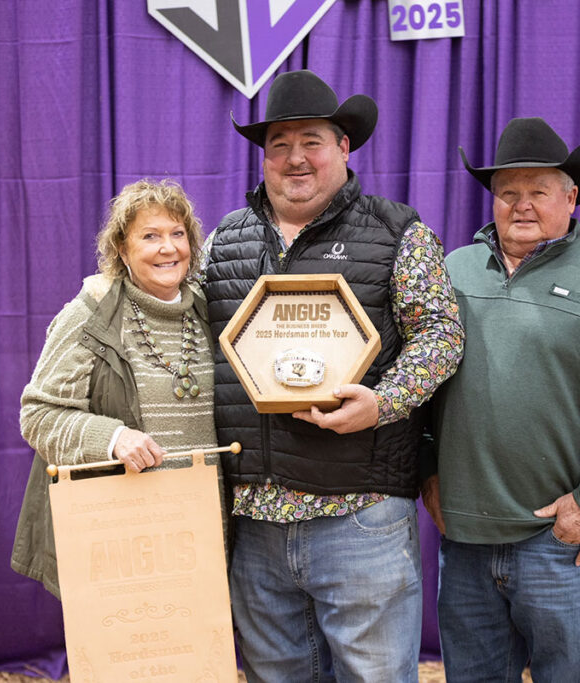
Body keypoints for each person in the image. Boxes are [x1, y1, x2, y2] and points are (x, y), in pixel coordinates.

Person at [200, 69, 464, 682]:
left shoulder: (399, 233)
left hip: (360, 514)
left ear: (344, 146)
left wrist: (384, 401)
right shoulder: (223, 242)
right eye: (279, 144)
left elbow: (442, 335)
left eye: (310, 141)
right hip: (256, 517)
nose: (295, 159)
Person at [422, 117, 580, 683]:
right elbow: (418, 386)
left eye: (539, 190)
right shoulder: (450, 273)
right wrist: (426, 472)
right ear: (492, 199)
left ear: (571, 197)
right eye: (509, 192)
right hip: (464, 543)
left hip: (558, 543)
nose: (522, 204)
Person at [11, 178, 217, 598]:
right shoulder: (89, 315)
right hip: (122, 534)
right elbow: (37, 416)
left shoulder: (209, 311)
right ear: (122, 250)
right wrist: (114, 437)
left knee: (196, 655)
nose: (168, 248)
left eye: (178, 234)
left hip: (202, 528)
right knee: (132, 656)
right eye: (150, 236)